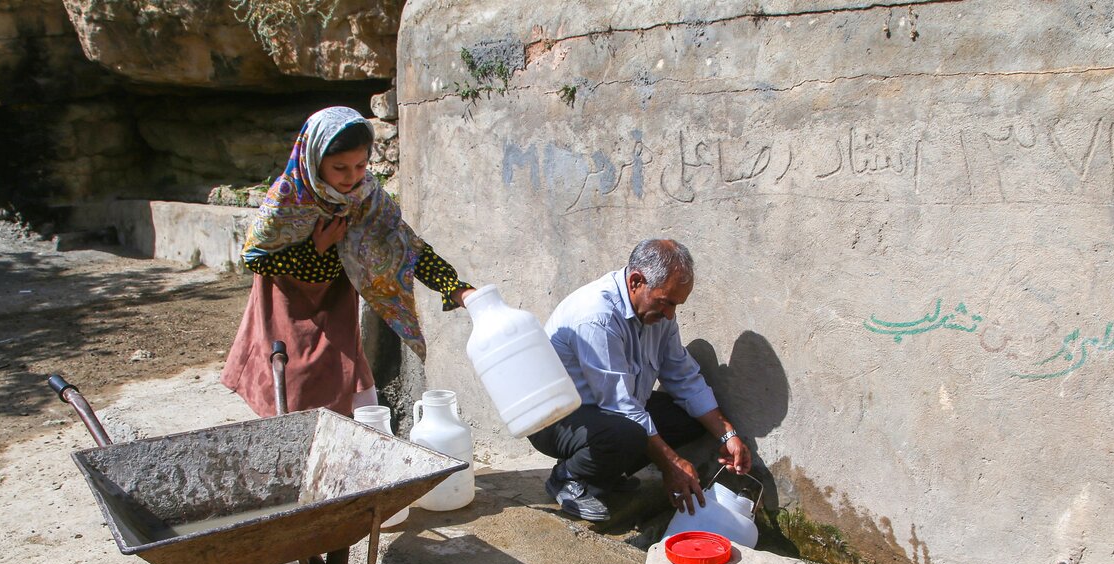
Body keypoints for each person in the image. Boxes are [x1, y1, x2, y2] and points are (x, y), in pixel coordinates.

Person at [222, 106, 475, 416]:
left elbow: (405, 245)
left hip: (336, 303)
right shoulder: (288, 197)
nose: (352, 177)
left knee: (354, 386)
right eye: (339, 167)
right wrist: (316, 248)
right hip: (288, 308)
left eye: (360, 165)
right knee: (295, 390)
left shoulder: (366, 196)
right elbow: (256, 258)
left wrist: (454, 288)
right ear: (315, 160)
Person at [529, 238, 751, 522]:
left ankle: (605, 471)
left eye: (676, 305)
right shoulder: (596, 316)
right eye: (666, 302)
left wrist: (727, 434)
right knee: (628, 433)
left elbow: (683, 377)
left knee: (684, 416)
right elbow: (620, 405)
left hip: (604, 413)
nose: (671, 314)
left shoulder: (660, 315)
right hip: (557, 419)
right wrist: (672, 465)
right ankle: (568, 477)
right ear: (636, 281)